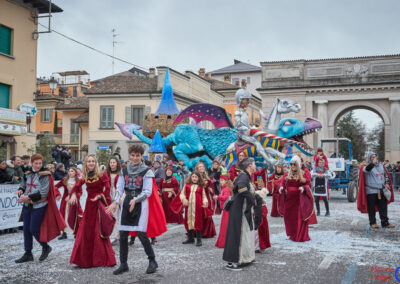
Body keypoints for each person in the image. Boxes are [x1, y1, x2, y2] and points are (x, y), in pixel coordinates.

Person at [106, 144, 160, 275]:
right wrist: (114, 202)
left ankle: (152, 260)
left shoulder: (147, 171)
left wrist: (135, 200)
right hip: (126, 202)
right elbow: (119, 189)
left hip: (141, 203)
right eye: (133, 155)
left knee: (141, 234)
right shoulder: (124, 171)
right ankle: (123, 264)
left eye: (138, 155)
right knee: (123, 234)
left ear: (142, 156)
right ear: (130, 155)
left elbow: (148, 191)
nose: (135, 158)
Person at [14, 154, 66, 263]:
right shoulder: (28, 173)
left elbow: (43, 193)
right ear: (32, 163)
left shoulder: (45, 175)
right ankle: (28, 253)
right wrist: (20, 189)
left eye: (40, 163)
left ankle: (45, 246)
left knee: (33, 229)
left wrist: (27, 197)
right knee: (26, 230)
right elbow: (24, 183)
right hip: (28, 205)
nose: (38, 165)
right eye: (36, 163)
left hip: (39, 205)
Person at [69, 154, 116, 268]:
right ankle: (86, 260)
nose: (91, 163)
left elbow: (108, 188)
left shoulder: (101, 173)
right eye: (89, 161)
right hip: (89, 205)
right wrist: (73, 194)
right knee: (87, 231)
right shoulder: (85, 176)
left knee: (98, 230)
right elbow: (76, 186)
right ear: (86, 163)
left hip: (98, 204)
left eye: (93, 161)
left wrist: (100, 196)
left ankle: (101, 259)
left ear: (96, 163)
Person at [223, 157, 258, 271]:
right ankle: (233, 262)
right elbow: (243, 189)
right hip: (238, 209)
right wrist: (253, 198)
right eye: (254, 164)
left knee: (239, 234)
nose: (255, 165)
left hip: (239, 209)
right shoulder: (243, 176)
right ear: (249, 166)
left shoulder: (245, 175)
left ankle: (239, 259)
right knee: (236, 234)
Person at [278, 156, 314, 242]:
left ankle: (298, 235)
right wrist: (281, 187)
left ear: (298, 164)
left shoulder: (303, 173)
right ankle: (292, 234)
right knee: (289, 218)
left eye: (294, 164)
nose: (292, 166)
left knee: (298, 218)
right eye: (291, 164)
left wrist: (304, 188)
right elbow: (282, 182)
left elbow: (309, 185)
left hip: (299, 200)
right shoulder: (287, 173)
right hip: (289, 200)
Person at [357, 152, 395, 229]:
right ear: (369, 158)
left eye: (375, 157)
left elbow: (386, 175)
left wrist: (387, 183)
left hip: (381, 190)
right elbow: (366, 170)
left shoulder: (381, 165)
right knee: (371, 208)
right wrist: (372, 164)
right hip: (371, 191)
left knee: (383, 207)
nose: (374, 158)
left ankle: (385, 223)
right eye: (372, 157)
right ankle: (373, 223)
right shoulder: (365, 166)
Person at [172, 171, 208, 246]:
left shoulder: (201, 187)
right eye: (193, 177)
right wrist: (184, 199)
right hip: (188, 207)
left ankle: (198, 239)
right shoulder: (187, 185)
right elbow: (182, 194)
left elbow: (204, 196)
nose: (194, 178)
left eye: (196, 177)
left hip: (197, 208)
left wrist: (205, 202)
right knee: (188, 221)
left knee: (198, 222)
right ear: (191, 177)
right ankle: (190, 238)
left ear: (199, 178)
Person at [54, 167, 82, 240]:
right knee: (64, 216)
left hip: (74, 201)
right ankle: (64, 233)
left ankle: (76, 233)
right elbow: (55, 187)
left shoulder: (78, 181)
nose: (70, 173)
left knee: (75, 216)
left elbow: (80, 192)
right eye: (69, 171)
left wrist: (74, 196)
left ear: (75, 172)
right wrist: (58, 194)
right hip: (65, 202)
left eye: (72, 171)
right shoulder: (64, 180)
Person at [195, 161, 216, 238]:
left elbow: (211, 187)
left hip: (206, 197)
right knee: (198, 214)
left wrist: (211, 190)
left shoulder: (207, 177)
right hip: (197, 196)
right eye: (200, 167)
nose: (201, 168)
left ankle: (206, 232)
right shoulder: (194, 177)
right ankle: (197, 232)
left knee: (206, 213)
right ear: (197, 168)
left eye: (202, 167)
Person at [107, 157, 122, 245]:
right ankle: (114, 236)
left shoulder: (120, 173)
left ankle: (118, 237)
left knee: (118, 216)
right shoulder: (106, 173)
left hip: (117, 195)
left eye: (114, 162)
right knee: (111, 216)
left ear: (117, 163)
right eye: (111, 162)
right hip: (109, 195)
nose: (112, 164)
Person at [214, 175, 233, 248]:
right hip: (225, 209)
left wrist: (218, 197)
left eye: (222, 180)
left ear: (226, 181)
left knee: (225, 226)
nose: (220, 182)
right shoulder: (224, 188)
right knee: (224, 226)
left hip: (226, 209)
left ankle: (224, 242)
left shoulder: (226, 189)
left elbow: (227, 197)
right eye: (220, 180)